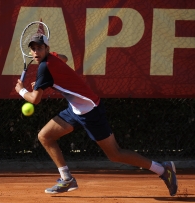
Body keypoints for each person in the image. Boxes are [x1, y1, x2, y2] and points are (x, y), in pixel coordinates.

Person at [15, 33, 178, 196]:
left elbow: (35, 99)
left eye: (40, 48)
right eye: (33, 49)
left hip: (90, 111)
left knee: (115, 154)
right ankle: (67, 179)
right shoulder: (52, 58)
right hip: (75, 109)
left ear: (46, 48)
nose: (36, 52)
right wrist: (48, 77)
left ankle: (163, 169)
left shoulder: (44, 67)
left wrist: (21, 90)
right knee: (45, 136)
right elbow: (63, 58)